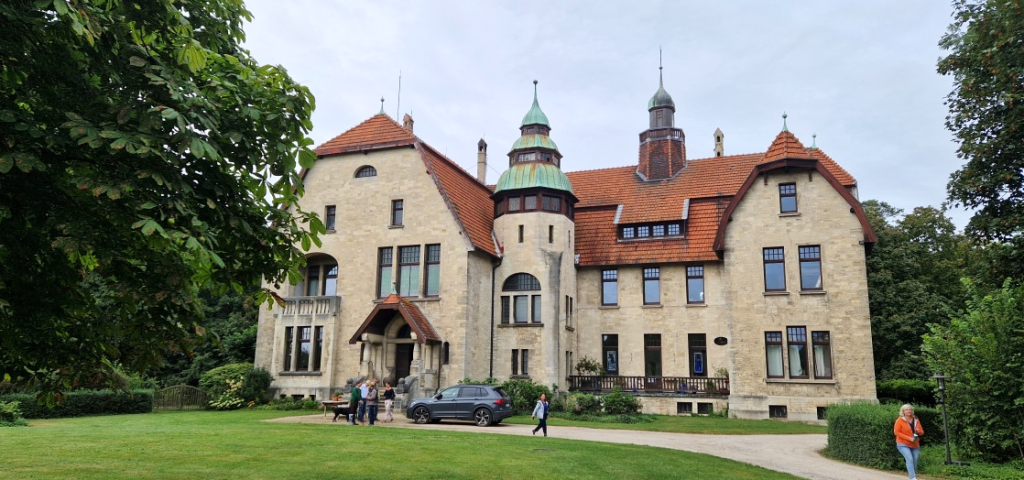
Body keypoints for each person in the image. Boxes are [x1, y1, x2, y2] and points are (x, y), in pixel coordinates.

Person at [894, 403, 925, 480]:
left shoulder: (916, 419)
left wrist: (918, 431)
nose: (909, 411)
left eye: (910, 409)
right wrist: (909, 438)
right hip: (902, 444)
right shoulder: (899, 420)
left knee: (914, 460)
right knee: (909, 459)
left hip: (915, 444)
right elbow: (897, 432)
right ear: (903, 411)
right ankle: (913, 477)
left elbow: (922, 432)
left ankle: (912, 476)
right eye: (906, 409)